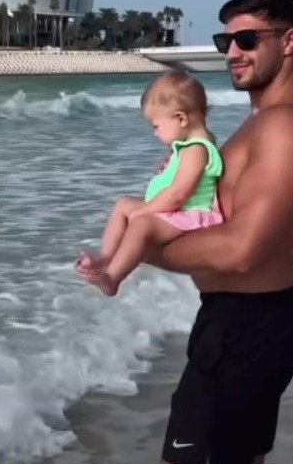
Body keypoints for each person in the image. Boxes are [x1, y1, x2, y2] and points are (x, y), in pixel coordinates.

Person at [77, 0, 293, 464]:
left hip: (245, 330)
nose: (232, 52)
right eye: (226, 40)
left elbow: (243, 250)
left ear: (289, 41)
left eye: (247, 39)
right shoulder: (266, 123)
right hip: (256, 321)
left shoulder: (288, 125)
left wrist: (145, 246)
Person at [76, 71, 223, 296]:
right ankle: (105, 257)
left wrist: (146, 210)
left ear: (181, 119)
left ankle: (113, 277)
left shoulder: (196, 149)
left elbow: (178, 194)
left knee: (142, 225)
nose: (155, 134)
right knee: (123, 204)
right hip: (175, 211)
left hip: (188, 215)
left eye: (156, 126)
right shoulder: (192, 145)